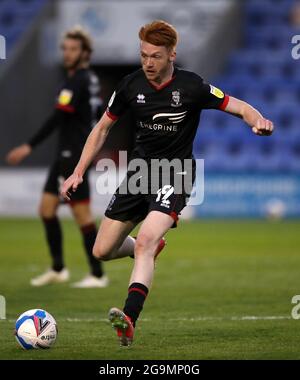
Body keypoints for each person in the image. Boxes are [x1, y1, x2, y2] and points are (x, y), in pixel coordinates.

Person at [61, 20, 274, 346]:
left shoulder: (192, 86)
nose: (148, 62)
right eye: (144, 55)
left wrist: (257, 120)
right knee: (102, 249)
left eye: (155, 56)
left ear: (172, 54)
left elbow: (239, 106)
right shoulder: (130, 85)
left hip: (175, 174)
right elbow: (102, 128)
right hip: (138, 175)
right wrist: (78, 171)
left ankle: (129, 319)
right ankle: (151, 248)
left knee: (145, 240)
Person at [6, 26, 108, 288]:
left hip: (73, 155)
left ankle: (97, 274)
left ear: (85, 52)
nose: (67, 54)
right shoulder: (85, 79)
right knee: (47, 210)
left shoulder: (78, 81)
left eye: (73, 49)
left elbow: (58, 117)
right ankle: (58, 268)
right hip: (65, 154)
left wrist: (29, 146)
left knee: (82, 215)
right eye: (65, 49)